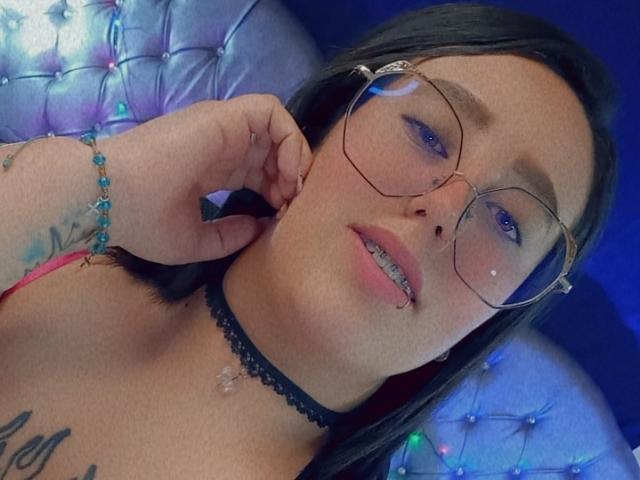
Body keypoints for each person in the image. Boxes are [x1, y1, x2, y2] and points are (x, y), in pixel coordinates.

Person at [0, 2, 618, 479]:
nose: (446, 208)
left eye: (508, 222)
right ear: (326, 120)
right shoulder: (70, 231)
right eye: (428, 134)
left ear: (491, 318)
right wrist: (95, 182)